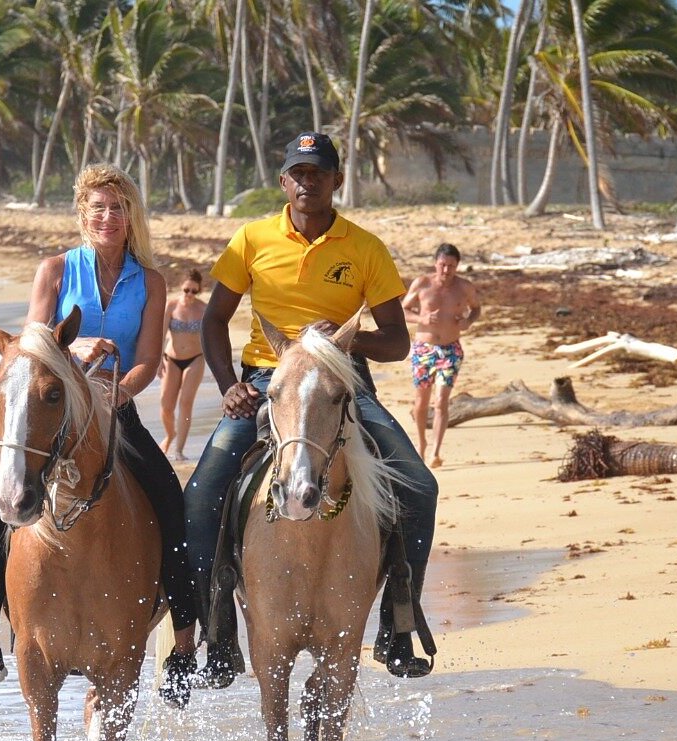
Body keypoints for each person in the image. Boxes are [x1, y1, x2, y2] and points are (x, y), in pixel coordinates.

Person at [185, 131, 439, 683]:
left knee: (419, 486)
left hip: (343, 383)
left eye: (318, 173)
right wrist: (230, 385)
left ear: (336, 181)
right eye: (298, 174)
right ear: (283, 182)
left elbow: (397, 341)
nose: (308, 183)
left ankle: (398, 624)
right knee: (202, 493)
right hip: (266, 379)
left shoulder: (364, 247)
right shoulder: (251, 240)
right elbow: (212, 321)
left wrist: (343, 342)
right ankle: (216, 632)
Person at [0, 163, 199, 708]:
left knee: (174, 506)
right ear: (83, 215)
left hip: (114, 410)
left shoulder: (150, 281)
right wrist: (75, 354)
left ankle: (182, 647)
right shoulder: (57, 270)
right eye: (98, 208)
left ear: (131, 215)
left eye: (118, 207)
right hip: (52, 410)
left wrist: (115, 395)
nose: (108, 217)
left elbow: (150, 361)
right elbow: (31, 346)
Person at [401, 243, 481, 467]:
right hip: (423, 349)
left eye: (451, 266)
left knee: (442, 401)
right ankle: (421, 443)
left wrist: (468, 321)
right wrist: (422, 319)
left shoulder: (464, 287)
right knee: (421, 402)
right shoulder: (422, 283)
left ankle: (436, 451)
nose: (446, 271)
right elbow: (403, 309)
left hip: (450, 349)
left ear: (457, 266)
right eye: (443, 265)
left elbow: (476, 308)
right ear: (435, 263)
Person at [158, 268, 207, 461]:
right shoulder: (171, 306)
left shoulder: (203, 309)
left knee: (186, 403)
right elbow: (160, 335)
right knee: (166, 406)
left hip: (195, 359)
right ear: (181, 287)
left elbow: (212, 336)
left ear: (199, 290)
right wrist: (156, 362)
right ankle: (170, 435)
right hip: (171, 359)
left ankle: (179, 450)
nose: (190, 295)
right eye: (187, 290)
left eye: (194, 291)